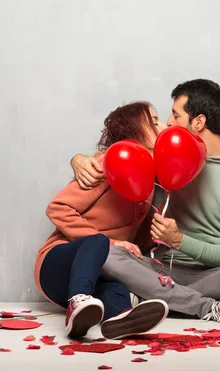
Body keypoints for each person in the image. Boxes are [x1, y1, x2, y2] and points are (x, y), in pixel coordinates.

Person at [70, 79, 220, 324]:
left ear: (199, 122)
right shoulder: (166, 151)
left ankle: (154, 299)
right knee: (107, 254)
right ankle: (204, 307)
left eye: (175, 115)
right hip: (156, 270)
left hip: (210, 275)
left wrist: (180, 241)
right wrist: (78, 159)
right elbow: (121, 154)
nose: (168, 122)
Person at [35, 101, 169, 339]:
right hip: (57, 264)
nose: (164, 125)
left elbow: (132, 232)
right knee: (98, 241)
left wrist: (158, 234)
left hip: (99, 272)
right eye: (155, 121)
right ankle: (77, 302)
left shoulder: (149, 179)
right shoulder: (104, 165)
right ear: (136, 129)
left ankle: (121, 320)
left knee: (117, 290)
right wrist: (112, 243)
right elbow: (58, 208)